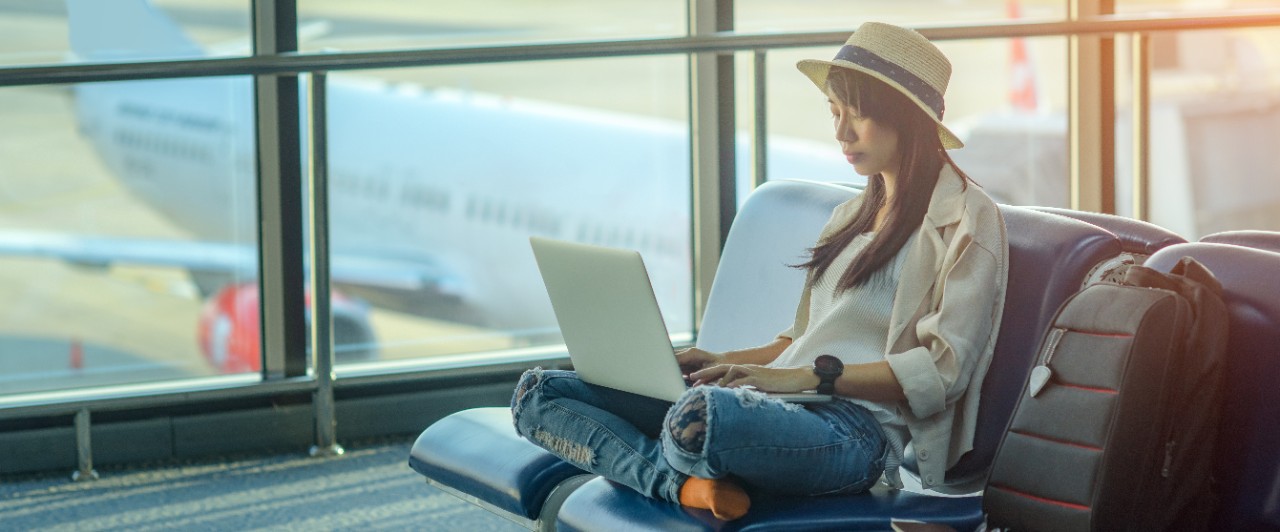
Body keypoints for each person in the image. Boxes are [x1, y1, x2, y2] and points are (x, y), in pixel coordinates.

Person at [510, 21, 1008, 521]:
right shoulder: (851, 216)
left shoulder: (967, 219)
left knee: (697, 418)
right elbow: (801, 337)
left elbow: (942, 373)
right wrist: (721, 359)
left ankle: (671, 473)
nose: (841, 133)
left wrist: (802, 379)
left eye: (857, 115)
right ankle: (683, 488)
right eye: (834, 113)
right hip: (778, 407)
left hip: (850, 434)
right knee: (539, 394)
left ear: (905, 118)